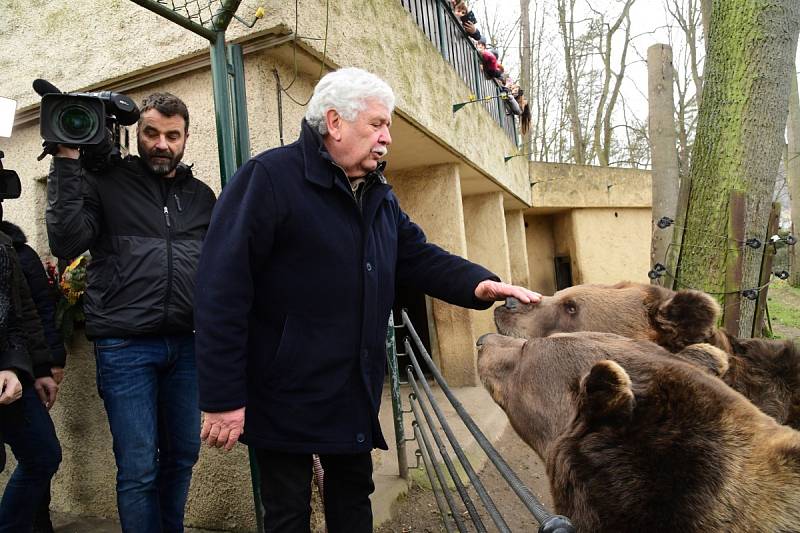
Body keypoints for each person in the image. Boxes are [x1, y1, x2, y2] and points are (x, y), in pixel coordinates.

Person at [194, 67, 541, 532]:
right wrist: (222, 396)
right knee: (286, 513)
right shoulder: (268, 179)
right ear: (335, 123)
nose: (387, 138)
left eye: (388, 126)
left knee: (354, 498)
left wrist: (479, 285)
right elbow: (221, 289)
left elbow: (416, 255)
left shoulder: (378, 194)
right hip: (282, 386)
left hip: (351, 381)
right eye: (377, 124)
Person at [45, 92, 216, 532]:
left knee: (182, 456)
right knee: (138, 467)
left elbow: (222, 268)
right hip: (124, 347)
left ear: (185, 139)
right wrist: (66, 159)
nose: (162, 143)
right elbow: (66, 243)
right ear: (137, 134)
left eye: (172, 135)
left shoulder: (201, 196)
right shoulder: (107, 182)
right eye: (152, 132)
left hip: (187, 345)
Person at [1, 220, 67, 533]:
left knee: (42, 454)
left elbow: (23, 312)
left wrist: (32, 367)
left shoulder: (6, 247)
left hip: (13, 374)